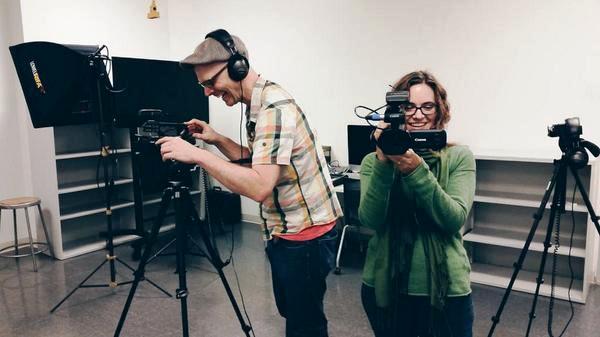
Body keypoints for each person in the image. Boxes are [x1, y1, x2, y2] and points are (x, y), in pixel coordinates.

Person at [156, 29, 343, 337]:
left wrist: (198, 156)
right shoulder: (257, 102)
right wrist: (216, 139)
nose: (208, 92)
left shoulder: (273, 109)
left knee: (305, 325)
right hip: (289, 231)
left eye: (210, 83)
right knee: (296, 314)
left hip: (305, 235)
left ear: (236, 67)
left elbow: (259, 186)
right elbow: (260, 160)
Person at [358, 71, 476, 337]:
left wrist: (415, 169)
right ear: (394, 111)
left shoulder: (459, 157)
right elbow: (371, 220)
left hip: (447, 289)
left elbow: (453, 218)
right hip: (385, 288)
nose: (418, 115)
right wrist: (383, 163)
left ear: (439, 110)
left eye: (427, 106)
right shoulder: (372, 161)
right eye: (408, 106)